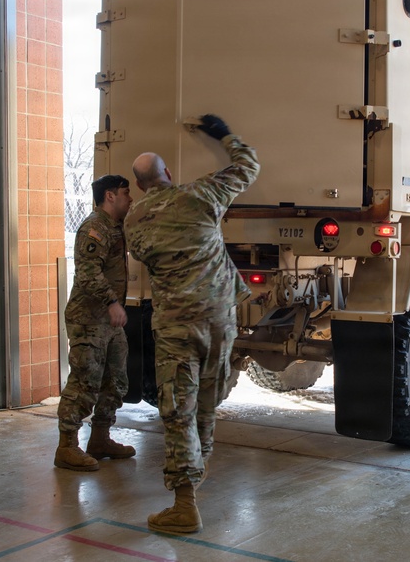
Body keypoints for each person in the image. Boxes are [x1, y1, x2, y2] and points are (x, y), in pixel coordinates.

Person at [125, 114, 259, 535]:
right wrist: (223, 135)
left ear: (140, 185)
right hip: (219, 319)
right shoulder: (200, 195)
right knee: (205, 402)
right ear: (167, 173)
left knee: (177, 409)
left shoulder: (133, 221)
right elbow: (249, 166)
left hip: (175, 325)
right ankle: (195, 488)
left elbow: (146, 257)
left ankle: (185, 503)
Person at [54, 174, 137, 471]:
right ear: (110, 196)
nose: (131, 198)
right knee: (84, 381)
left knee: (115, 381)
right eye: (126, 193)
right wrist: (112, 303)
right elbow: (88, 273)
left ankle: (100, 438)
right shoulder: (95, 228)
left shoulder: (116, 227)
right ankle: (66, 447)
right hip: (89, 318)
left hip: (108, 321)